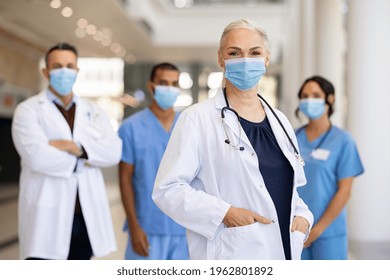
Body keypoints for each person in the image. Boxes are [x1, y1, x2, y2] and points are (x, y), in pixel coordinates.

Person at [152, 19, 313, 260]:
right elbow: (167, 189)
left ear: (266, 59)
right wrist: (224, 213)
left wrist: (303, 217)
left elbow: (288, 187)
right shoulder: (197, 119)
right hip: (233, 252)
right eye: (234, 53)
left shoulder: (280, 121)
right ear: (221, 59)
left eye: (254, 52)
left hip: (285, 247)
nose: (245, 60)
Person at [11, 43, 122, 260]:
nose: (64, 72)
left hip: (85, 216)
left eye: (70, 66)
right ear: (46, 71)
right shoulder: (28, 110)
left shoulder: (94, 111)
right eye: (57, 66)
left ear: (77, 71)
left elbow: (114, 152)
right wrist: (88, 156)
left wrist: (76, 148)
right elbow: (37, 157)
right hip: (47, 216)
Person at [118, 62, 188, 260]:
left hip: (184, 227)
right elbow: (125, 179)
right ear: (151, 86)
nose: (169, 88)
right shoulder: (130, 128)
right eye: (163, 82)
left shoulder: (189, 125)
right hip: (146, 226)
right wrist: (133, 226)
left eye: (174, 84)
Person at [294, 76, 364, 260]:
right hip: (296, 229)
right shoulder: (291, 138)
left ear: (330, 99)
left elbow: (344, 191)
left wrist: (316, 231)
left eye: (316, 95)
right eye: (305, 96)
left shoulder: (343, 140)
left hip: (328, 233)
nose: (309, 100)